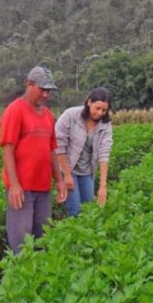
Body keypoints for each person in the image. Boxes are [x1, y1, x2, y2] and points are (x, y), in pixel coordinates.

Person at [0, 66, 67, 254]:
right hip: (22, 188)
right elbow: (7, 149)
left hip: (43, 187)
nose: (46, 94)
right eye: (42, 89)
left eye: (49, 91)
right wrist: (13, 185)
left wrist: (59, 180)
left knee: (43, 236)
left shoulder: (47, 115)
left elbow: (52, 150)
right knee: (21, 240)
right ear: (29, 85)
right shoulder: (15, 111)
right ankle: (20, 278)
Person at [55, 87, 113, 217]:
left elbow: (104, 154)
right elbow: (59, 146)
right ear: (89, 102)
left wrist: (103, 186)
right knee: (75, 210)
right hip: (68, 167)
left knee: (89, 208)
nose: (100, 113)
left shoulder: (105, 125)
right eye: (97, 108)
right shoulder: (70, 115)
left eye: (104, 110)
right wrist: (67, 174)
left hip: (87, 170)